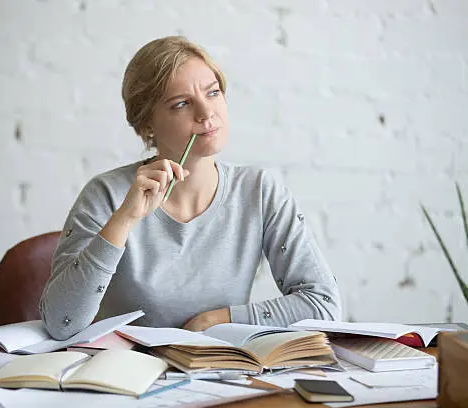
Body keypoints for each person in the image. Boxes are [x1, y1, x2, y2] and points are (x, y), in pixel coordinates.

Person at [40, 36, 342, 340]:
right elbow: (60, 323)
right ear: (146, 126)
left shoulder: (261, 191)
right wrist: (124, 220)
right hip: (126, 378)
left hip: (220, 375)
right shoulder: (105, 194)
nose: (206, 113)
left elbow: (324, 304)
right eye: (181, 103)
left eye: (213, 93)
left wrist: (219, 320)